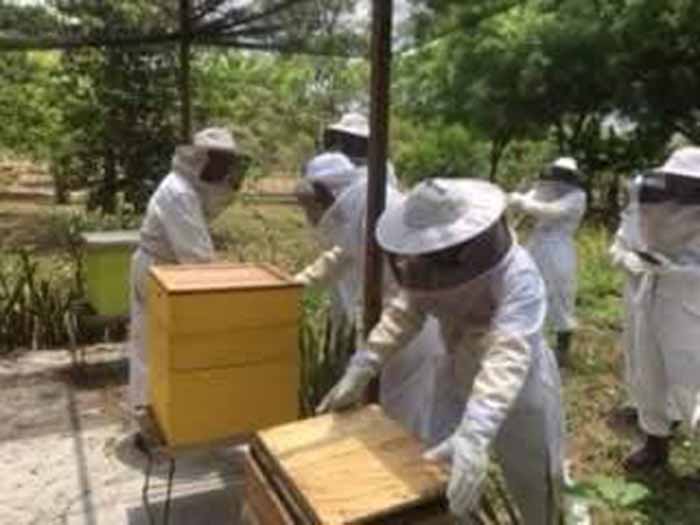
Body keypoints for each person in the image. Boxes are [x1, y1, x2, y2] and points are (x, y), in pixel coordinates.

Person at [317, 178, 564, 524]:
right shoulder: (424, 265)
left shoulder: (518, 275)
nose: (433, 260)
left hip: (519, 386)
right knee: (437, 473)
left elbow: (508, 354)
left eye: (445, 251)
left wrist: (475, 433)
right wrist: (363, 366)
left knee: (536, 480)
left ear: (466, 243)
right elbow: (406, 312)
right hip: (454, 372)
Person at [294, 153, 458, 444]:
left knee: (400, 415)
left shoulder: (377, 209)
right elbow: (339, 257)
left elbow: (408, 295)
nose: (310, 215)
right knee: (390, 407)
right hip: (393, 322)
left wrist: (367, 360)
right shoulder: (360, 209)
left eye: (310, 205)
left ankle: (413, 464)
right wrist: (289, 289)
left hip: (413, 325)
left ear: (325, 193)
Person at [128, 127, 247, 410]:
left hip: (163, 268)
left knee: (154, 340)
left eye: (228, 163)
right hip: (160, 269)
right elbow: (197, 259)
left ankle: (157, 408)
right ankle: (151, 411)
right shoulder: (180, 193)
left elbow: (202, 230)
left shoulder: (187, 188)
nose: (224, 171)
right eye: (220, 162)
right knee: (152, 343)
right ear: (201, 158)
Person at [620, 146, 700, 470]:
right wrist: (635, 260)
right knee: (648, 373)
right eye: (674, 180)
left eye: (685, 182)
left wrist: (678, 271)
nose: (677, 188)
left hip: (691, 308)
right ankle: (655, 444)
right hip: (650, 296)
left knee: (691, 378)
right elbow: (634, 241)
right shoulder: (657, 210)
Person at [508, 157, 587, 367]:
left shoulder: (578, 197)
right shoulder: (545, 189)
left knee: (560, 294)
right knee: (528, 289)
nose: (556, 181)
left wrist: (520, 201)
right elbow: (528, 201)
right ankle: (530, 343)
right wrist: (513, 199)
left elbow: (550, 211)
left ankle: (562, 349)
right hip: (536, 245)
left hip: (559, 248)